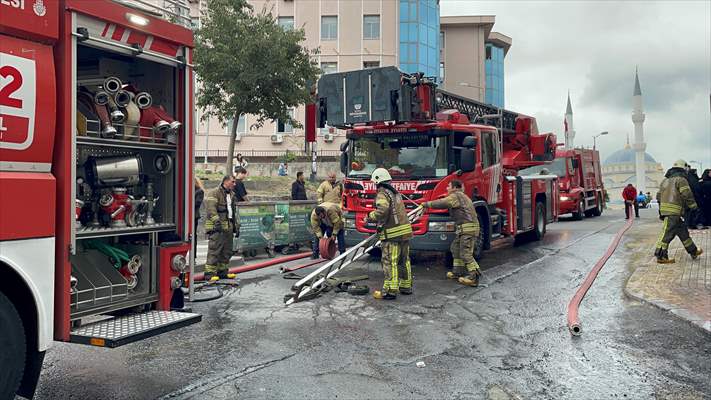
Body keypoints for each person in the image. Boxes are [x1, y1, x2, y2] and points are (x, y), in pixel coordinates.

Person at [421, 179, 482, 286]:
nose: (447, 188)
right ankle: (458, 272)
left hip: (467, 229)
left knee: (465, 253)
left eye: (448, 186)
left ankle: (474, 277)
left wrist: (427, 204)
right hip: (465, 229)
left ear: (454, 187)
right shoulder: (462, 196)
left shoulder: (456, 196)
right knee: (455, 248)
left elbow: (443, 203)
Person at [365, 168, 413, 299]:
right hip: (405, 233)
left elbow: (382, 210)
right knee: (404, 261)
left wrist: (370, 216)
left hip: (392, 234)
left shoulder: (382, 193)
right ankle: (406, 286)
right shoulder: (395, 193)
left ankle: (390, 291)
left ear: (377, 181)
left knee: (389, 261)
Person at [654, 159, 703, 264]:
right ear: (683, 168)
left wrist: (662, 210)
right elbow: (687, 194)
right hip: (674, 211)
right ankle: (661, 256)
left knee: (683, 232)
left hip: (668, 211)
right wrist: (694, 207)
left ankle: (693, 251)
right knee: (667, 233)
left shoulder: (665, 181)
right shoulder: (681, 180)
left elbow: (658, 196)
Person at [204, 175, 239, 280]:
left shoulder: (232, 195)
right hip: (217, 228)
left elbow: (232, 212)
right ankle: (209, 274)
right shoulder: (214, 193)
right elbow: (211, 209)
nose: (234, 184)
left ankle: (222, 272)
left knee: (226, 251)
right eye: (232, 182)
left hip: (228, 227)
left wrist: (236, 227)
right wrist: (217, 222)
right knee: (214, 250)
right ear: (226, 181)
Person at [194, 177, 205, 254]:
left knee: (194, 235)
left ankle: (194, 254)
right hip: (189, 215)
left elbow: (197, 203)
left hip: (194, 215)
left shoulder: (199, 191)